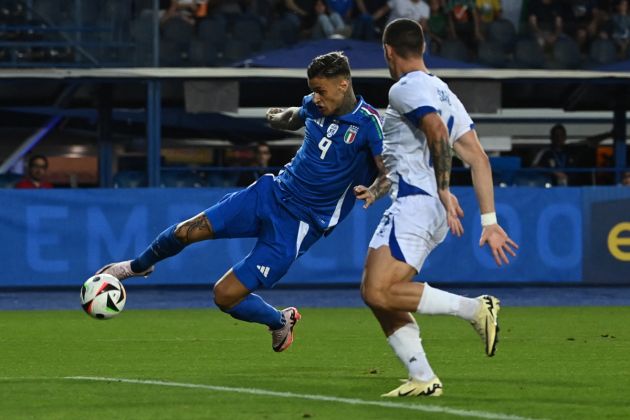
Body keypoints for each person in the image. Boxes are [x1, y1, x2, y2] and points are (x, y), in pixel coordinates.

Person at [96, 51, 386, 353]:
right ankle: (135, 267)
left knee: (224, 295)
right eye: (313, 90)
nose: (316, 98)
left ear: (343, 84)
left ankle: (278, 321)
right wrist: (277, 119)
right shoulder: (314, 105)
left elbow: (387, 170)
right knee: (186, 230)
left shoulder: (368, 125)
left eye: (321, 91)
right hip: (269, 194)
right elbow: (293, 117)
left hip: (299, 223)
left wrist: (376, 191)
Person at [353, 18, 518, 397]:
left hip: (417, 203)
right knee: (375, 291)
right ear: (423, 48)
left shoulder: (404, 88)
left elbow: (436, 134)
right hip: (416, 201)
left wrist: (443, 189)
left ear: (388, 52)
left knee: (379, 291)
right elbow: (478, 158)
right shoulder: (445, 93)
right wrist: (489, 221)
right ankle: (422, 376)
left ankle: (475, 309)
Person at [531, 123, 612, 186]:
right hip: (552, 189)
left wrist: (608, 134)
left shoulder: (571, 149)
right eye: (556, 135)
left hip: (571, 189)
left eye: (561, 135)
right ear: (551, 137)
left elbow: (589, 141)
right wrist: (554, 172)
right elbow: (534, 167)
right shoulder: (545, 152)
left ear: (565, 137)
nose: (559, 138)